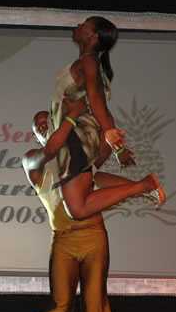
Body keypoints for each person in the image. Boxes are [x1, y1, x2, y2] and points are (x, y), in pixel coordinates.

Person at [20, 99, 164, 312]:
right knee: (61, 308)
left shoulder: (79, 160)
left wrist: (138, 185)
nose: (46, 128)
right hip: (63, 243)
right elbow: (50, 151)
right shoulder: (34, 161)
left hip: (94, 237)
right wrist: (70, 119)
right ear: (36, 136)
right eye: (41, 126)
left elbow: (101, 179)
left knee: (95, 308)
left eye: (49, 121)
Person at [48, 16, 161, 221]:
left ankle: (145, 185)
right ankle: (143, 186)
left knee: (78, 209)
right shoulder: (90, 62)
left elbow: (94, 98)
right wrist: (116, 146)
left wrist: (111, 136)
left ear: (93, 36)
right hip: (77, 137)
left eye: (84, 25)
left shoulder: (88, 61)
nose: (78, 26)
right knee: (90, 184)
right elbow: (102, 107)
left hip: (77, 138)